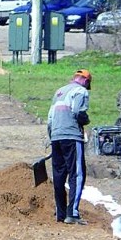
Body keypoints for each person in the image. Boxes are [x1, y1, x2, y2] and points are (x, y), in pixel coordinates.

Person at [47, 69, 92, 226]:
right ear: (86, 81)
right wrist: (86, 121)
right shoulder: (81, 91)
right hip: (72, 136)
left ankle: (60, 214)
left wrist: (52, 136)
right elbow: (78, 112)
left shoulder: (59, 91)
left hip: (56, 136)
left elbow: (50, 118)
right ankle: (72, 213)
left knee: (59, 175)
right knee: (77, 174)